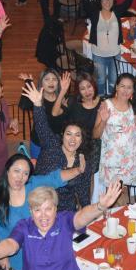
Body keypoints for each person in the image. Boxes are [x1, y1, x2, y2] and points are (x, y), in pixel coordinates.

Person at [0, 153, 84, 270]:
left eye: (25, 173)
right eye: (16, 171)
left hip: (44, 251)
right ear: (7, 170)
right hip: (17, 256)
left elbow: (54, 178)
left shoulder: (32, 185)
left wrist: (78, 170)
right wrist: (2, 257)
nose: (20, 177)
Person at [25, 81, 92, 211]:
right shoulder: (52, 145)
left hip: (66, 211)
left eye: (77, 135)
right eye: (69, 134)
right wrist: (38, 104)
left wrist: (89, 214)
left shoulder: (83, 161)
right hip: (40, 205)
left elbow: (83, 194)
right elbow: (42, 127)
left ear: (82, 140)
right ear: (62, 136)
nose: (72, 139)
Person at [94, 74, 136, 187]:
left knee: (126, 193)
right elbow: (95, 135)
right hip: (112, 160)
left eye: (129, 87)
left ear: (133, 90)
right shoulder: (106, 105)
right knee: (112, 193)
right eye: (122, 86)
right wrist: (103, 121)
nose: (125, 90)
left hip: (131, 160)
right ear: (116, 87)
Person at [79, 0, 122, 97]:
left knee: (114, 80)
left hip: (115, 54)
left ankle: (112, 98)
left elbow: (128, 2)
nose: (108, 2)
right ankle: (101, 98)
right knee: (100, 80)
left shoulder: (117, 12)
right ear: (100, 0)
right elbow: (86, 4)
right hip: (98, 54)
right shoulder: (95, 13)